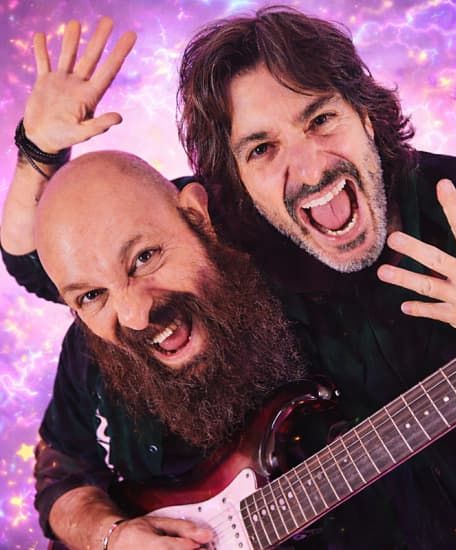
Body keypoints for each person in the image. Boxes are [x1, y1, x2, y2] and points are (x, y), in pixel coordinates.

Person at [1, 8, 456, 549]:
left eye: (320, 119)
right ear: (231, 181)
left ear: (364, 111)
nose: (309, 169)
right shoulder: (226, 242)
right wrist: (38, 151)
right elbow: (54, 258)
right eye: (262, 149)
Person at [32, 149, 308, 548]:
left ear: (196, 217)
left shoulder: (304, 280)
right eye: (91, 295)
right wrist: (110, 536)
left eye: (144, 257)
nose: (135, 315)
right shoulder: (88, 351)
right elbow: (60, 469)